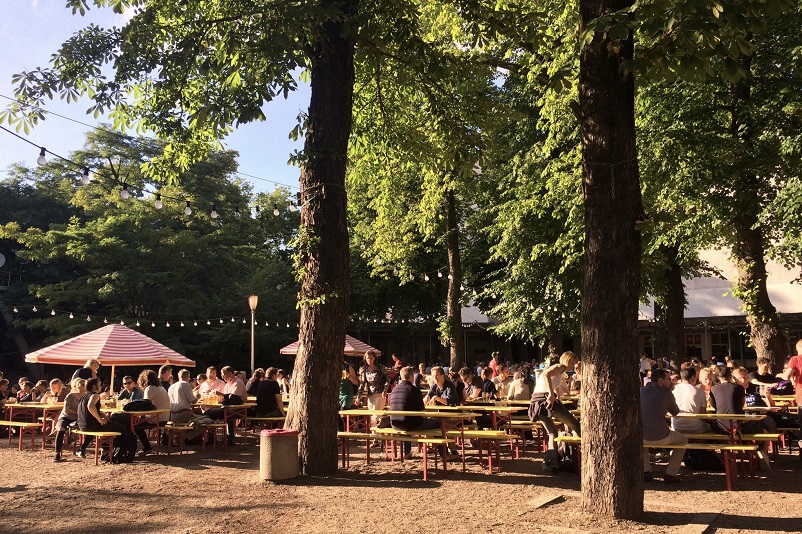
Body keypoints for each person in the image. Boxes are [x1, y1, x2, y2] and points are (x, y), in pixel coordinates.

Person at [710, 365, 772, 470]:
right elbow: (742, 405)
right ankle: (762, 454)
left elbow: (713, 405)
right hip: (737, 425)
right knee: (766, 434)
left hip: (720, 426)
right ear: (731, 375)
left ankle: (728, 460)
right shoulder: (738, 388)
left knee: (723, 437)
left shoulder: (713, 389)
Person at [529, 351, 581, 452]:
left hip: (536, 401)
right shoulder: (561, 367)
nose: (573, 367)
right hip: (545, 399)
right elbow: (546, 376)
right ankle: (582, 450)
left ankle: (551, 461)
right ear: (567, 360)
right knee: (575, 424)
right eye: (572, 363)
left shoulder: (560, 371)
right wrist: (551, 394)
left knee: (553, 432)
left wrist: (557, 398)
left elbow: (554, 386)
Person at [641, 368, 687, 483]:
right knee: (683, 441)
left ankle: (645, 471)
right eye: (668, 379)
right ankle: (670, 473)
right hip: (661, 436)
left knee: (642, 443)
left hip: (642, 435)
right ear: (661, 380)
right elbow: (675, 412)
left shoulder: (641, 390)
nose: (671, 381)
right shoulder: (666, 393)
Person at [390, 366, 441, 459]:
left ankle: (407, 452)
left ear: (401, 377)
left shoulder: (394, 390)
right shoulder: (414, 390)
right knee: (438, 423)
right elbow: (422, 412)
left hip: (395, 423)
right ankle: (444, 454)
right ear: (412, 377)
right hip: (409, 424)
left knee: (407, 420)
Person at [75, 377, 129, 459]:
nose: (101, 387)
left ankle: (82, 449)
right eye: (99, 385)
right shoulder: (95, 395)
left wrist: (102, 416)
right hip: (92, 425)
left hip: (82, 425)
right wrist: (99, 419)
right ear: (94, 387)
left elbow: (92, 409)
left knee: (109, 425)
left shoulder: (84, 396)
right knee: (122, 429)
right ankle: (116, 452)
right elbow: (90, 406)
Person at [204, 366, 247, 446]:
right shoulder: (227, 384)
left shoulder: (237, 383)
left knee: (211, 414)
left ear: (230, 374)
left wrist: (220, 394)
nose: (223, 377)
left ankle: (226, 438)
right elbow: (225, 399)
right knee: (208, 413)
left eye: (224, 375)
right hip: (228, 408)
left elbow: (233, 399)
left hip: (238, 409)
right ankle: (212, 437)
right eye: (222, 375)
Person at [133, 370, 170, 455]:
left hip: (156, 419)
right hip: (165, 418)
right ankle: (146, 447)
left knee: (135, 426)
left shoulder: (149, 388)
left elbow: (145, 404)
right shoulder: (161, 387)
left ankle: (146, 447)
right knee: (137, 423)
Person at [167, 369, 204, 443]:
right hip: (183, 414)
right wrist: (198, 396)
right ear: (188, 377)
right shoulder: (185, 384)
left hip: (172, 416)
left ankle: (182, 436)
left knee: (197, 416)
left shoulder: (171, 386)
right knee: (206, 419)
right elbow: (193, 401)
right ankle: (185, 437)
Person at [671, 366, 711, 433]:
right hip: (696, 427)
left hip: (677, 427)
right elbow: (703, 416)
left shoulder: (673, 390)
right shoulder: (700, 392)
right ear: (693, 378)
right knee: (710, 427)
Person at [54, 378, 85, 462]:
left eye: (84, 384)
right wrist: (78, 413)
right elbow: (66, 410)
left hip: (78, 419)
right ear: (76, 386)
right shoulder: (70, 396)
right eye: (81, 384)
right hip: (66, 417)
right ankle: (57, 453)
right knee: (61, 429)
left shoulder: (86, 397)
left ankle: (82, 449)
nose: (83, 385)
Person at [359, 351, 388, 425]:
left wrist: (385, 390)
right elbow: (362, 384)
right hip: (370, 395)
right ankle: (375, 435)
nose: (369, 360)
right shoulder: (364, 370)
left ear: (374, 358)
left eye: (371, 358)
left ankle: (375, 435)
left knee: (375, 417)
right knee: (372, 417)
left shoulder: (380, 368)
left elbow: (388, 379)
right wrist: (358, 397)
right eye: (367, 358)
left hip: (380, 394)